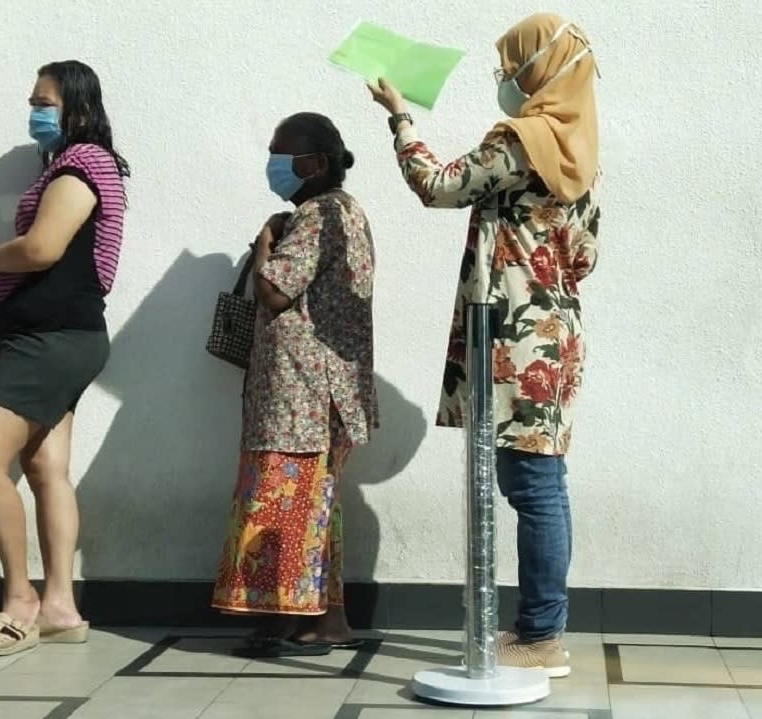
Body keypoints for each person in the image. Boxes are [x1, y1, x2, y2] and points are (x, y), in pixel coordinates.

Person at [368, 13, 601, 677]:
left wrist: (399, 118)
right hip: (556, 333)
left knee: (532, 484)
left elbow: (439, 185)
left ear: (541, 70)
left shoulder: (522, 138)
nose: (505, 78)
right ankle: (538, 627)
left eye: (513, 65)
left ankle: (542, 633)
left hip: (516, 336)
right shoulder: (579, 150)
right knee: (538, 477)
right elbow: (585, 255)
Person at [0, 60, 129, 656]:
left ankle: (20, 601)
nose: (34, 110)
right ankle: (59, 606)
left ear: (79, 109)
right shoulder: (76, 166)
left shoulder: (82, 166)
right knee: (44, 470)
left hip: (49, 339)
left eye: (44, 101)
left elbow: (42, 248)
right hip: (67, 337)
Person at [212, 113, 378, 657]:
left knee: (286, 503)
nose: (274, 164)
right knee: (314, 507)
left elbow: (275, 292)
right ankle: (326, 621)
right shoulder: (340, 212)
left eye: (282, 153)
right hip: (316, 394)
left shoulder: (320, 216)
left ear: (316, 163)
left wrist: (264, 241)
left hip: (301, 399)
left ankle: (289, 616)